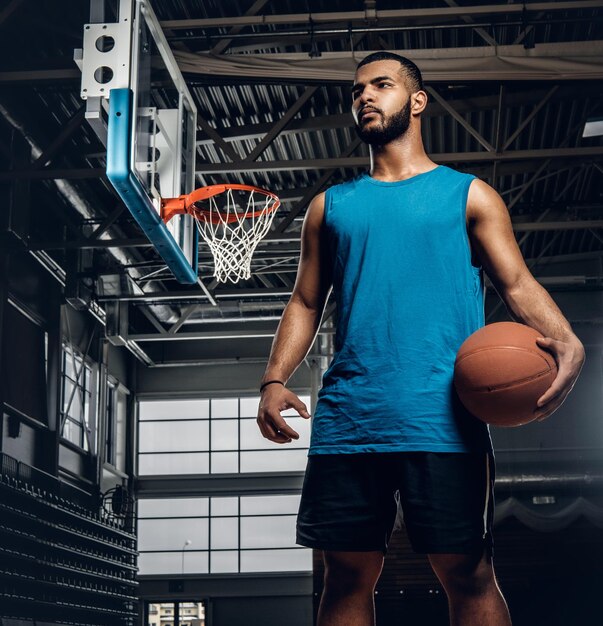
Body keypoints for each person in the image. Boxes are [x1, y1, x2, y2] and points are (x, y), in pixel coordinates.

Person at [256, 51, 585, 626]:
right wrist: (273, 378)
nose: (364, 96)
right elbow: (307, 301)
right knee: (346, 579)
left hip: (444, 419)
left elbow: (516, 281)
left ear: (416, 101)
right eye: (357, 89)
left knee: (470, 575)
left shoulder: (469, 195)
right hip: (351, 420)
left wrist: (565, 339)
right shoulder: (329, 207)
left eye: (381, 85)